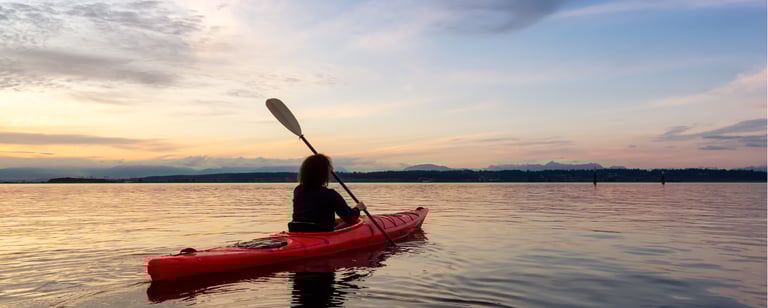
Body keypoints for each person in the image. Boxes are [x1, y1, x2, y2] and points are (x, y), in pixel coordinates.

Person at [289, 154, 366, 232]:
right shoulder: (330, 195)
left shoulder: (298, 190)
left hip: (296, 231)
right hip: (321, 233)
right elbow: (350, 218)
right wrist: (358, 208)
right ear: (324, 174)